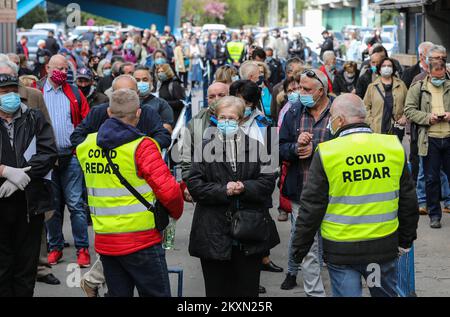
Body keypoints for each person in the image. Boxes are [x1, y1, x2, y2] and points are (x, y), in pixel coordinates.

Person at [291, 93, 419, 297]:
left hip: (342, 251)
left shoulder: (327, 152)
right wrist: (405, 240)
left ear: (340, 120)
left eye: (331, 116)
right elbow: (408, 200)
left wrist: (299, 248)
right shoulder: (392, 146)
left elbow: (312, 207)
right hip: (382, 247)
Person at [76, 88, 183, 297]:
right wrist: (174, 214)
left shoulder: (85, 146)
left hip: (106, 240)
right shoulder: (143, 146)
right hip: (142, 240)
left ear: (108, 113)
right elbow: (170, 193)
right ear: (139, 114)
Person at [186, 96, 277, 297]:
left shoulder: (255, 146)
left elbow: (268, 180)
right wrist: (224, 190)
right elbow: (195, 185)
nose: (227, 122)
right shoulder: (204, 148)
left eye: (232, 118)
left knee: (247, 290)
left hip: (249, 231)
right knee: (217, 290)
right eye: (223, 117)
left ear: (241, 120)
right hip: (213, 231)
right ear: (216, 119)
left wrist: (244, 187)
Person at [0, 60, 60, 286]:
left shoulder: (33, 117)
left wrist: (22, 177)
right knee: (3, 266)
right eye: (4, 92)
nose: (10, 96)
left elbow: (48, 151)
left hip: (29, 202)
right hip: (1, 202)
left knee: (26, 267)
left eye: (13, 91)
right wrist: (5, 171)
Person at [279, 69, 330, 295]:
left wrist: (316, 150)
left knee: (333, 245)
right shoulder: (293, 112)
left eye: (306, 89)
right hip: (302, 192)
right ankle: (314, 292)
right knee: (308, 246)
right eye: (299, 87)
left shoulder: (337, 112)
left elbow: (350, 146)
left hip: (334, 193)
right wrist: (295, 147)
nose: (301, 93)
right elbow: (279, 148)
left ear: (321, 90)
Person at [38, 55, 91, 268]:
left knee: (76, 205)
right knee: (52, 207)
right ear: (47, 68)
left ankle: (82, 249)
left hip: (72, 157)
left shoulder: (75, 92)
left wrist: (80, 147)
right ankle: (55, 247)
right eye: (57, 68)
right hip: (47, 159)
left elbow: (86, 121)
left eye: (65, 68)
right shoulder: (37, 92)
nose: (61, 71)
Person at [404, 56, 450, 229]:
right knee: (431, 179)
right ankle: (434, 214)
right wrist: (427, 118)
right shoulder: (418, 88)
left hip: (448, 137)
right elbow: (409, 110)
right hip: (430, 140)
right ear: (429, 73)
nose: (439, 80)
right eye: (436, 77)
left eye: (442, 77)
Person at [71, 75, 171, 150]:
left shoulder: (148, 112)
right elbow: (76, 137)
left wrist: (140, 148)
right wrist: (100, 147)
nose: (125, 96)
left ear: (138, 94)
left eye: (130, 92)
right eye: (120, 92)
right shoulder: (98, 112)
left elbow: (164, 137)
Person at [364, 57, 408, 141]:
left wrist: (404, 117)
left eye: (389, 66)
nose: (386, 68)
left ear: (393, 69)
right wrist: (371, 122)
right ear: (379, 69)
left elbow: (408, 104)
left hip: (396, 129)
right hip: (377, 130)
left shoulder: (401, 85)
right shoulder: (372, 87)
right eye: (384, 66)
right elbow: (365, 107)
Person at [133, 67, 174, 132]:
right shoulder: (126, 103)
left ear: (151, 82)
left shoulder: (161, 104)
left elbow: (167, 128)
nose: (141, 82)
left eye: (145, 80)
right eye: (137, 80)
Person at [270, 57, 304, 124]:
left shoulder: (306, 87)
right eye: (297, 71)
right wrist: (275, 134)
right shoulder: (277, 89)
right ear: (288, 73)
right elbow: (274, 115)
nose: (301, 73)